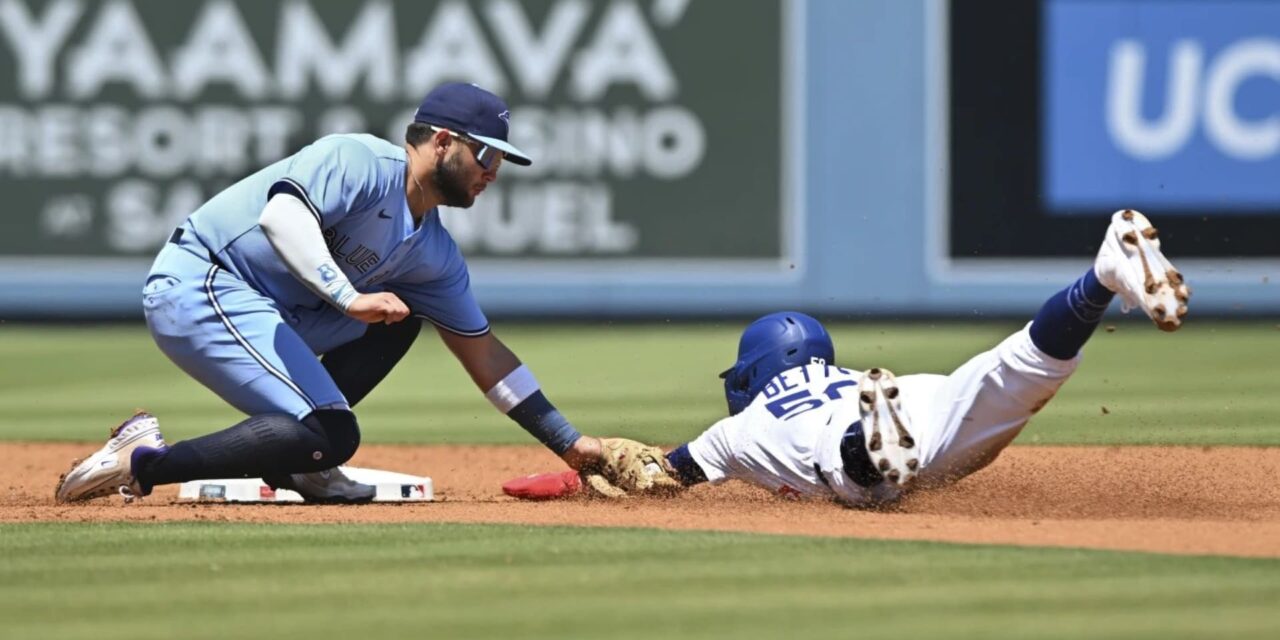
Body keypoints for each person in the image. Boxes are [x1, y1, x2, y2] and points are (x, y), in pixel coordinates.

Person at [56, 83, 619, 504]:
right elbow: (281, 218)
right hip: (205, 281)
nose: (493, 171)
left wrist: (570, 445)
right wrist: (349, 299)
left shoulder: (434, 253)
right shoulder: (360, 160)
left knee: (400, 324)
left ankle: (300, 464)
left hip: (277, 311)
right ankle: (140, 461)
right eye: (487, 155)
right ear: (443, 141)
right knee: (332, 432)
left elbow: (486, 355)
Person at [503, 210, 1190, 506]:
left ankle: (873, 444)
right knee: (1016, 369)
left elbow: (659, 476)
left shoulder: (738, 429)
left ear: (754, 373)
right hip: (915, 394)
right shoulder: (848, 374)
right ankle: (1102, 276)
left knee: (861, 484)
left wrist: (577, 478)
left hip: (836, 436)